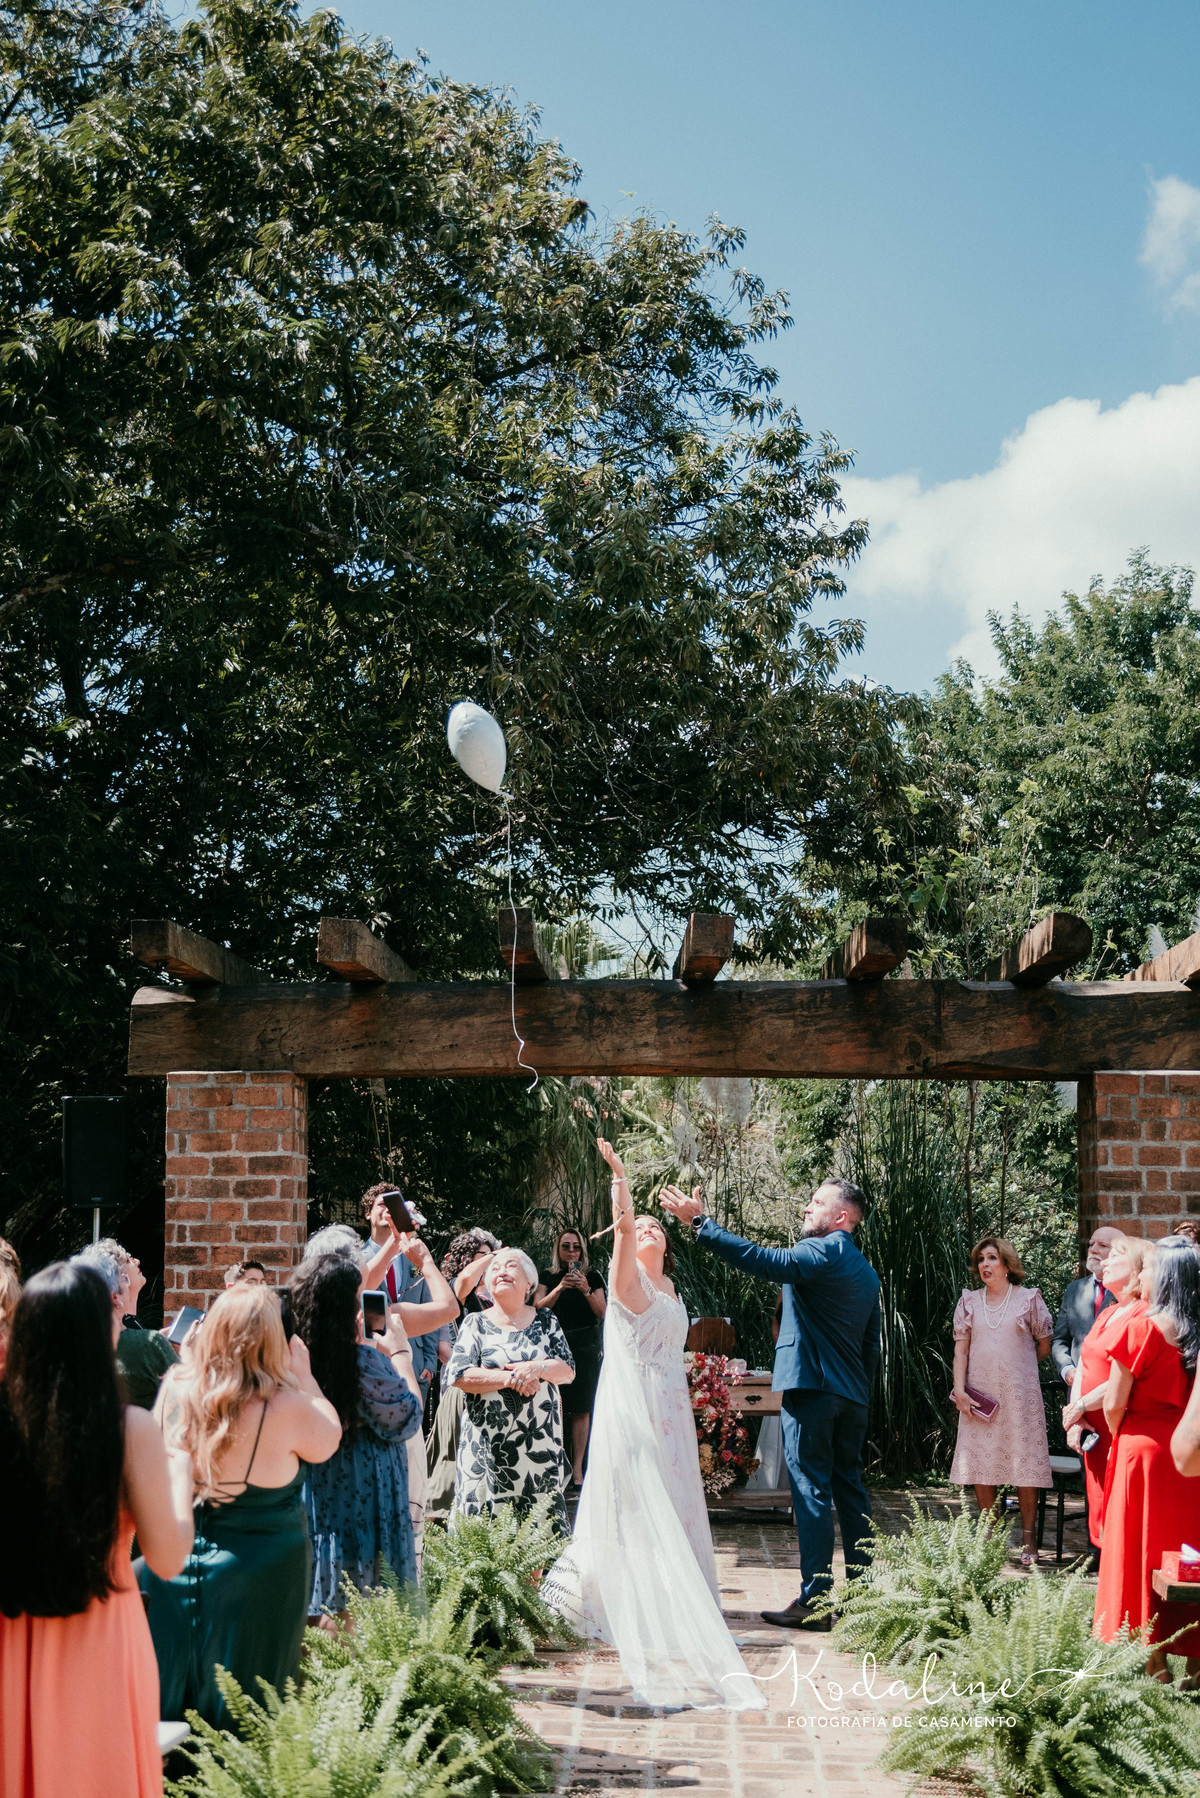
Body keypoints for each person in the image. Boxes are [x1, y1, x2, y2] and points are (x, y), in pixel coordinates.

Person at [544, 1141, 764, 1709]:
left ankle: (675, 1595)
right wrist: (620, 1178)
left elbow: (674, 1348)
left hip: (670, 1406)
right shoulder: (628, 1284)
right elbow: (620, 1231)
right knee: (637, 1501)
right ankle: (626, 1599)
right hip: (635, 1407)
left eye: (653, 1229)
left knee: (674, 1497)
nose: (645, 1231)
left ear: (667, 1243)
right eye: (638, 1229)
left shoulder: (671, 1289)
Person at [0, 1261, 195, 1798]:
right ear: (97, 1335)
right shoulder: (129, 1430)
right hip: (101, 1633)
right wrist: (179, 1474)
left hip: (13, 1634)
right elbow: (168, 1559)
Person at [662, 1173, 880, 1631]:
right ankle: (864, 1601)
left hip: (814, 1391)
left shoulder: (821, 1250)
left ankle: (816, 1601)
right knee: (851, 1492)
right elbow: (870, 1346)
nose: (807, 1207)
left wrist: (702, 1223)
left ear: (841, 1217)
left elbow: (766, 1261)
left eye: (816, 1202)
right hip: (852, 1397)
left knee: (811, 1492)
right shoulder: (865, 1269)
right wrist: (860, 1395)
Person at [139, 1283, 342, 1727]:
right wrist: (306, 1376)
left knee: (177, 1684)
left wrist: (191, 1364)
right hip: (264, 1570)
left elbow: (154, 1457)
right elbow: (329, 1439)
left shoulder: (177, 1387)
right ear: (273, 1338)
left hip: (177, 1560)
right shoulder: (286, 1404)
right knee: (253, 1697)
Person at [289, 1253, 424, 1611]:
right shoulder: (366, 1364)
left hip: (319, 1490)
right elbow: (409, 1415)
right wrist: (399, 1354)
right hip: (368, 1490)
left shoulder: (295, 1359)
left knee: (326, 1587)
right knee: (365, 1598)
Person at [1095, 1236, 1200, 1681]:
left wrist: (1127, 1437)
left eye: (1151, 1268)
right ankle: (1196, 1657)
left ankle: (1152, 1657)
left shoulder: (1141, 1326)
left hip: (1143, 1450)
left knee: (1141, 1548)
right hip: (1191, 1458)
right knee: (1187, 1553)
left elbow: (1113, 1405)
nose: (1143, 1276)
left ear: (1170, 1277)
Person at [446, 1247, 575, 1530]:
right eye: (495, 1268)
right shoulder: (475, 1323)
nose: (501, 1271)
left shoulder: (546, 1320)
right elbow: (458, 1374)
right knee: (482, 1540)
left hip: (538, 1447)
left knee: (537, 1534)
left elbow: (567, 1370)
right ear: (488, 1284)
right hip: (487, 1450)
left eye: (511, 1266)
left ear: (529, 1282)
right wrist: (510, 1378)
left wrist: (537, 1368)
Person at [950, 1236, 1054, 1567]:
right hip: (979, 1397)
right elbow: (961, 1349)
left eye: (992, 1258)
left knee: (1024, 1468)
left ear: (1007, 1265)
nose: (984, 1264)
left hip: (1020, 1399)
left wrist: (1019, 1374)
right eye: (981, 1259)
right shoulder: (969, 1302)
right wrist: (960, 1390)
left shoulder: (1029, 1300)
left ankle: (1028, 1539)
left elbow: (1045, 1346)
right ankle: (989, 1540)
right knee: (982, 1464)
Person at [1060, 1233, 1148, 1566]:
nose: (1104, 1260)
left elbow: (1118, 1378)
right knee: (1096, 1499)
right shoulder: (1108, 1311)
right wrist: (1076, 1414)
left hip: (1115, 1421)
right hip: (1091, 1426)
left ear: (1136, 1269)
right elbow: (1084, 1360)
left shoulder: (1139, 1316)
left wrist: (1081, 1406)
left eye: (1115, 1255)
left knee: (1117, 1504)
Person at [425, 1230, 501, 1522]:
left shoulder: (486, 1300)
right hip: (459, 1387)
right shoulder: (451, 1291)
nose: (491, 1263)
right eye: (483, 1257)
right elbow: (465, 1281)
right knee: (451, 1457)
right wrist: (494, 1254)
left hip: (488, 1387)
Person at [536, 1228, 606, 1487]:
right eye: (566, 1246)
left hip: (585, 1346)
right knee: (555, 1406)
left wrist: (586, 1289)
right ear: (558, 1249)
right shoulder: (548, 1276)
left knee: (582, 1407)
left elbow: (602, 1313)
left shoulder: (593, 1276)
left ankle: (577, 1470)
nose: (571, 1252)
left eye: (576, 1247)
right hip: (554, 1345)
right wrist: (560, 1288)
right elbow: (536, 1309)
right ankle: (555, 1467)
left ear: (582, 1251)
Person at [81, 1238, 181, 1410]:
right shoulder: (146, 1344)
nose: (137, 1261)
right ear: (114, 1295)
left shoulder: (79, 1341)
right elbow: (187, 1398)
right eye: (127, 1260)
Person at [1051, 1224, 1121, 1389]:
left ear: (1120, 1254)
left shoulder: (1128, 1291)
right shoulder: (1074, 1289)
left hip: (1114, 1389)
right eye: (1091, 1244)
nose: (1093, 1250)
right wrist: (1067, 1369)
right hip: (1078, 1387)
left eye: (1102, 1245)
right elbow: (1060, 1339)